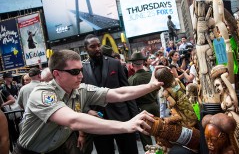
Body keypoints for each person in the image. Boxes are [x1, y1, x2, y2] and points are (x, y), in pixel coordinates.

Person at [13, 49, 162, 154]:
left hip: (58, 149)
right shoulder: (42, 94)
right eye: (75, 72)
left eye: (81, 70)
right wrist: (125, 125)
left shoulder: (80, 90)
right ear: (57, 74)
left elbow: (117, 93)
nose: (81, 76)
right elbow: (73, 120)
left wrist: (151, 86)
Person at [82, 34, 139, 154]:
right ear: (86, 49)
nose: (97, 48)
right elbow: (80, 97)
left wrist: (135, 118)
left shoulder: (115, 64)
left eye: (99, 45)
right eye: (93, 46)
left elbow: (127, 91)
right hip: (98, 122)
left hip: (122, 117)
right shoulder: (82, 69)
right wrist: (87, 111)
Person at [128, 51, 160, 151]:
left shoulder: (131, 80)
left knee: (145, 135)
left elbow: (130, 97)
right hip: (154, 105)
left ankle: (150, 152)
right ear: (143, 62)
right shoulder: (151, 75)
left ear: (132, 65)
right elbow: (157, 88)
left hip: (142, 109)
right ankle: (162, 150)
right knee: (158, 132)